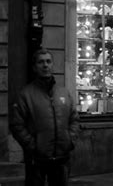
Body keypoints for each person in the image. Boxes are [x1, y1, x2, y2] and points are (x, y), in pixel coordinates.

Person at [10, 48, 80, 186]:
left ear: (53, 64)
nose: (45, 65)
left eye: (48, 61)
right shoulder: (26, 94)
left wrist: (70, 140)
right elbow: (17, 125)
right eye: (41, 62)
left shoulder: (63, 92)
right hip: (37, 160)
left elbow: (74, 119)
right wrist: (33, 146)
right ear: (35, 67)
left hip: (61, 158)